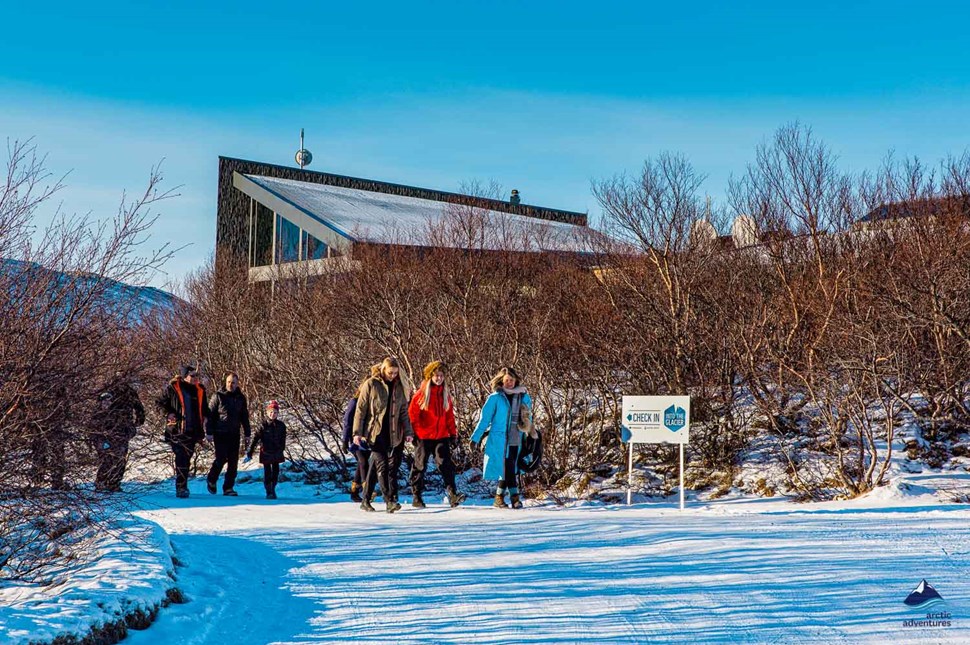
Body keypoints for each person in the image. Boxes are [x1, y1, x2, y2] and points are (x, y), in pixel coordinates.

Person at [352, 357, 413, 513]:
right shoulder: (371, 384)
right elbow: (361, 409)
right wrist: (357, 433)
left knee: (374, 467)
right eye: (390, 372)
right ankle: (389, 501)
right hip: (375, 433)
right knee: (383, 465)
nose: (393, 375)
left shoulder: (399, 387)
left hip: (392, 433)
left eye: (395, 373)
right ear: (383, 370)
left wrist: (408, 432)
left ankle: (365, 500)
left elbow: (403, 412)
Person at [470, 366, 533, 509]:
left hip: (517, 437)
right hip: (500, 440)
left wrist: (531, 434)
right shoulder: (495, 398)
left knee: (509, 468)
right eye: (506, 380)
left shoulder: (523, 396)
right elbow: (484, 420)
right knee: (508, 467)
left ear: (516, 380)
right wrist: (475, 438)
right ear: (501, 381)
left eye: (512, 380)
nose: (509, 383)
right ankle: (515, 498)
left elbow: (529, 418)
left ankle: (498, 498)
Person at [407, 360, 465, 508]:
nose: (439, 378)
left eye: (441, 375)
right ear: (430, 377)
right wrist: (415, 433)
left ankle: (453, 494)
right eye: (436, 376)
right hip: (423, 437)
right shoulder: (421, 394)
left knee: (446, 464)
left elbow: (449, 416)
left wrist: (453, 433)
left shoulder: (444, 394)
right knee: (420, 465)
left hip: (441, 435)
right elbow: (412, 416)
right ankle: (416, 495)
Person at [156, 364, 210, 498]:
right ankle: (181, 487)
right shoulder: (172, 388)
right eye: (192, 376)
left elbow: (205, 409)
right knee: (181, 458)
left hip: (193, 431)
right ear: (184, 376)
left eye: (197, 375)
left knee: (187, 458)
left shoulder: (200, 390)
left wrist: (210, 419)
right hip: (176, 430)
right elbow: (159, 403)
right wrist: (167, 413)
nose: (195, 378)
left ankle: (183, 485)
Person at [93, 377, 145, 493]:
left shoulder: (130, 392)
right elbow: (98, 411)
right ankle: (102, 482)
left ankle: (114, 483)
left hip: (122, 430)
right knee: (107, 458)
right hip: (106, 431)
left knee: (119, 458)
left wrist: (135, 424)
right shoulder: (108, 391)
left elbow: (139, 410)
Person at [206, 372, 252, 496]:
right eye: (229, 382)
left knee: (233, 461)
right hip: (220, 433)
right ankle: (211, 478)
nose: (231, 384)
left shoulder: (241, 398)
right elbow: (210, 415)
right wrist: (209, 432)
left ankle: (228, 487)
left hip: (234, 433)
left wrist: (247, 433)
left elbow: (244, 417)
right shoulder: (218, 396)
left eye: (233, 382)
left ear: (237, 384)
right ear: (225, 382)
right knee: (221, 459)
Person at [246, 400, 287, 499]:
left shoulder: (281, 425)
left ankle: (273, 488)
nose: (273, 414)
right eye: (271, 412)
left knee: (276, 472)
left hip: (277, 451)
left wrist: (282, 448)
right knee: (267, 471)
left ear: (278, 413)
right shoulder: (263, 425)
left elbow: (283, 438)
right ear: (267, 413)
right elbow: (255, 438)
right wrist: (250, 451)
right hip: (266, 451)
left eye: (275, 412)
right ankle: (269, 491)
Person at [341, 389, 370, 503]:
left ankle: (354, 491)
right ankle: (366, 489)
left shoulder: (372, 402)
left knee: (362, 463)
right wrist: (345, 440)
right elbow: (347, 421)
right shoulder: (355, 401)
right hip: (355, 438)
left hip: (367, 438)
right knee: (363, 462)